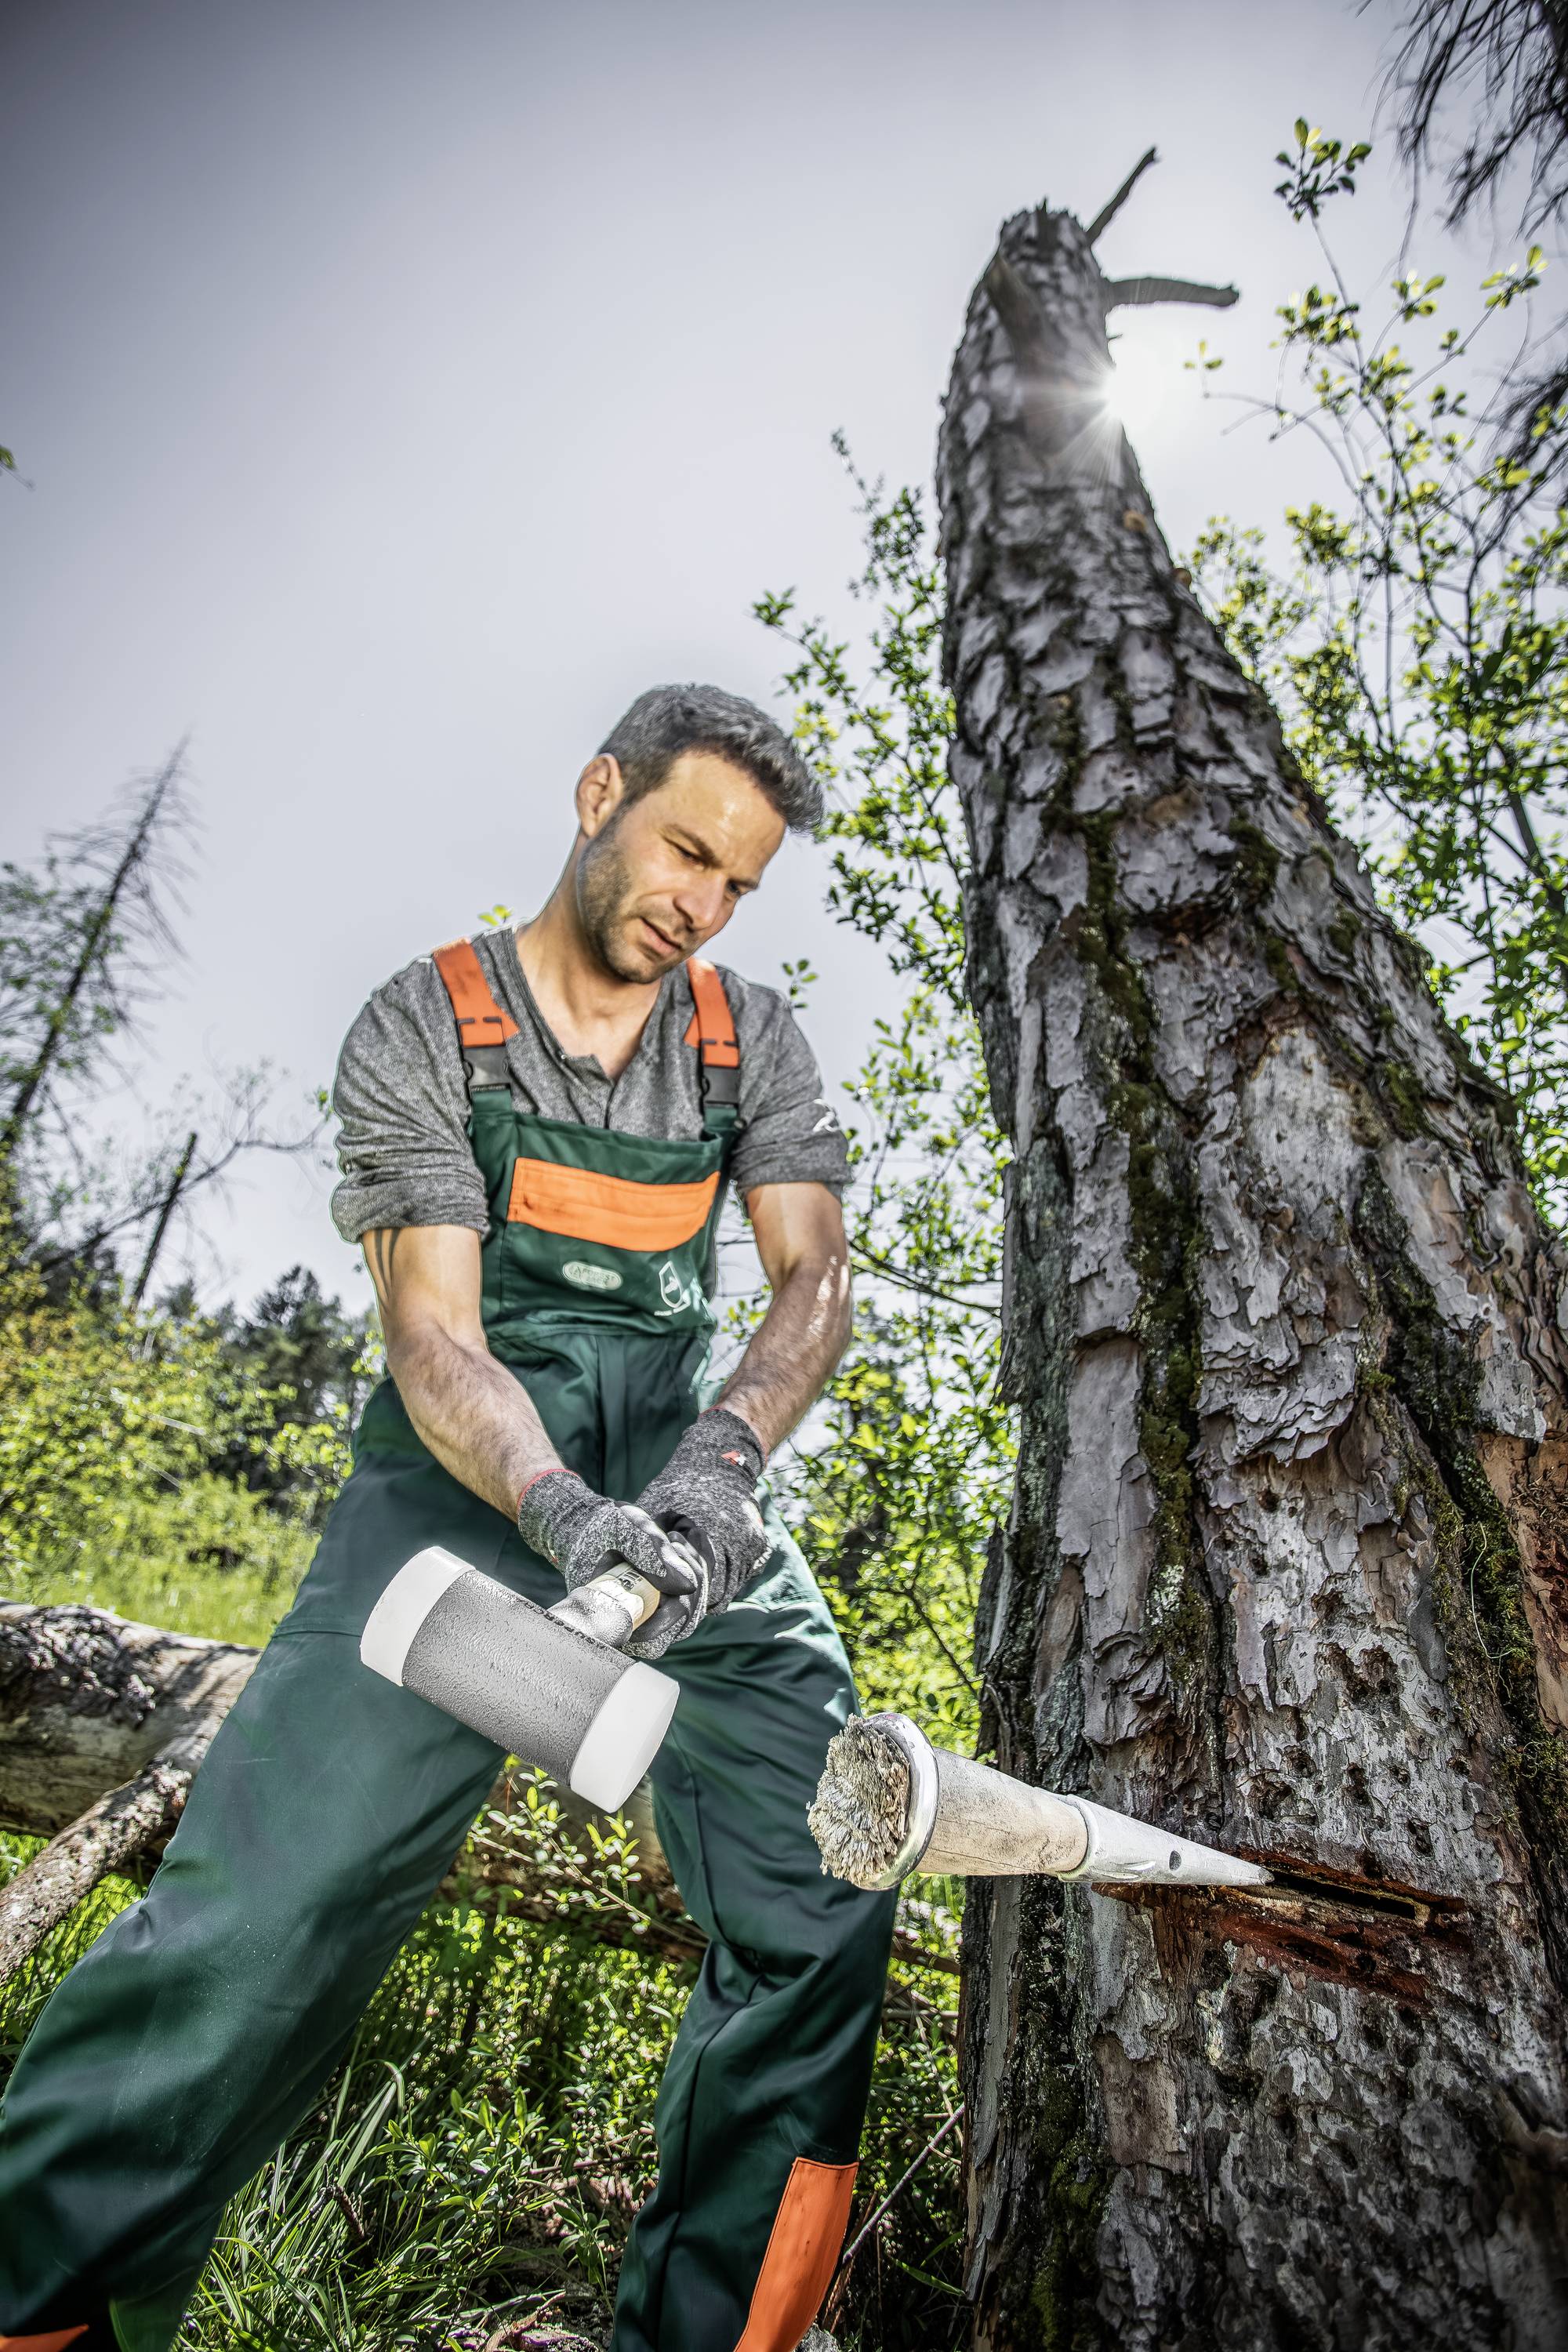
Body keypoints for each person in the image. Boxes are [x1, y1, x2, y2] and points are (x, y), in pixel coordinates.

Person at [0, 684, 896, 2352]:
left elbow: (809, 1282)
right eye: (685, 850)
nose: (698, 902)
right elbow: (433, 1333)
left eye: (737, 885)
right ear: (597, 794)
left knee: (838, 1855)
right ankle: (37, 2315)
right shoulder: (430, 1019)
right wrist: (558, 1512)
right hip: (465, 1500)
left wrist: (712, 1477)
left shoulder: (746, 1039)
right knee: (263, 1918)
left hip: (691, 1502)